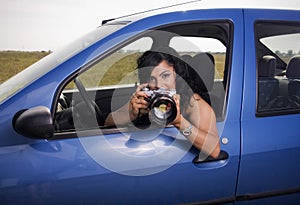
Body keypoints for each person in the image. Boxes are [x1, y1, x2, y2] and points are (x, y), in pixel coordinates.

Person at [105, 47, 220, 158]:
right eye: (151, 78)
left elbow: (214, 150)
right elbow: (108, 122)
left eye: (165, 76)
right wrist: (131, 113)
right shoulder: (145, 97)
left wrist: (179, 122)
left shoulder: (190, 101)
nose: (159, 85)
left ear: (176, 75)